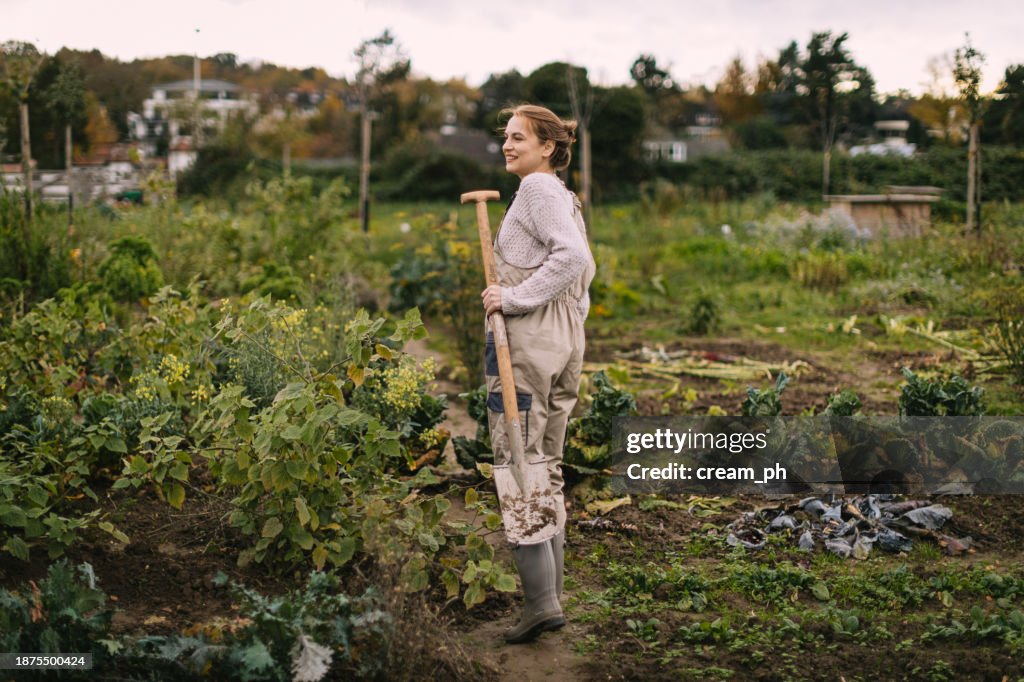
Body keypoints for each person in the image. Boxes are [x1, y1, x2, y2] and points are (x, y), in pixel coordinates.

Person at [481, 104, 596, 644]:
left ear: (548, 146)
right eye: (505, 136)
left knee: (519, 459)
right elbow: (583, 270)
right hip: (563, 337)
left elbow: (570, 257)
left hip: (528, 341)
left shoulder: (537, 191)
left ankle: (541, 602)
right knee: (545, 461)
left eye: (519, 137)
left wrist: (516, 297)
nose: (507, 145)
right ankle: (550, 596)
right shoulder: (564, 197)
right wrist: (568, 321)